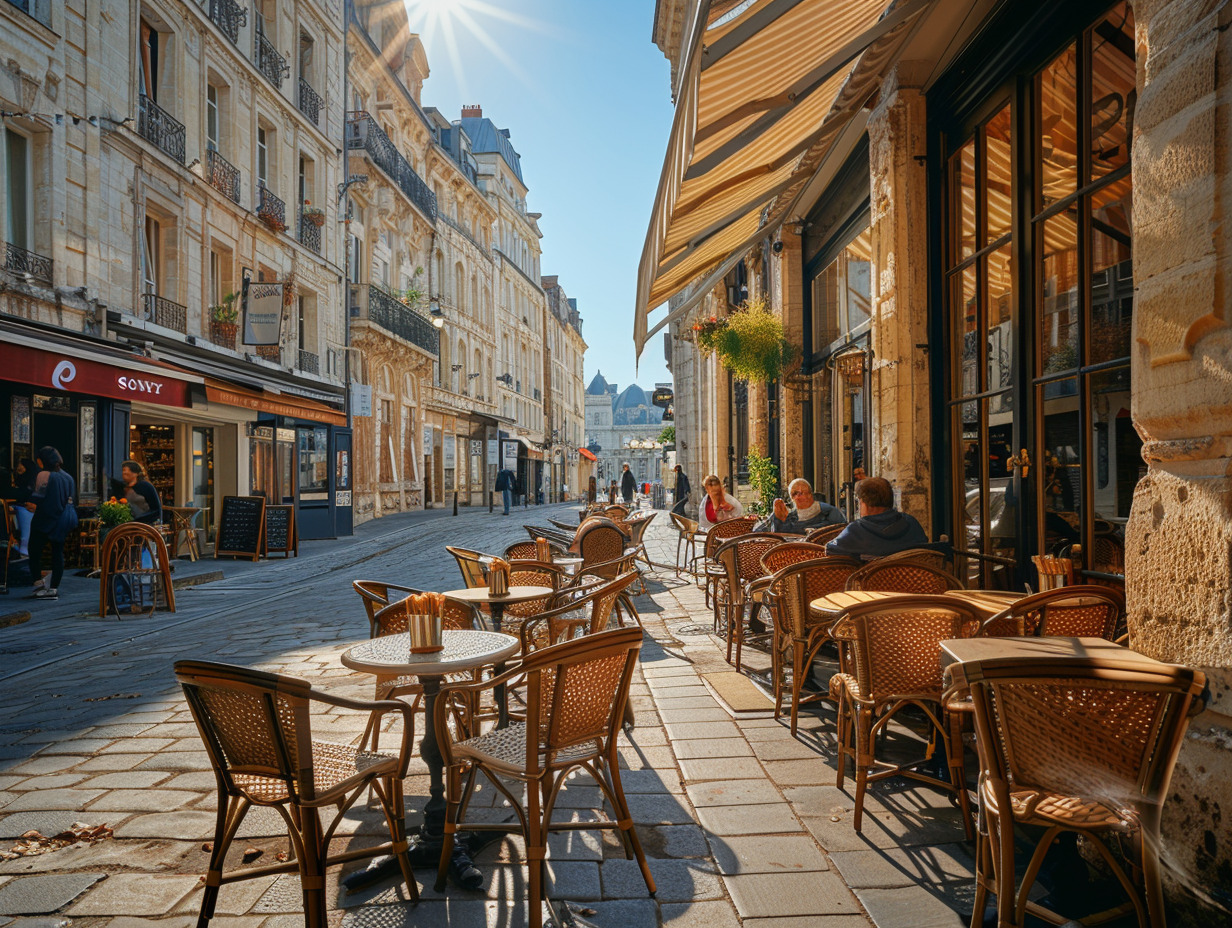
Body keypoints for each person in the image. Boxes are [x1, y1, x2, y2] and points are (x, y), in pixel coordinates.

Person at [826, 476, 927, 559]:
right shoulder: (911, 523)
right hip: (911, 581)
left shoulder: (856, 531)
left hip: (870, 582)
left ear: (863, 504)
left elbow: (831, 549)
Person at [26, 446, 77, 601]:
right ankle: (53, 587)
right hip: (62, 519)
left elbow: (37, 497)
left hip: (44, 517)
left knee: (34, 551)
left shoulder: (44, 475)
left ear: (41, 461)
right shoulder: (68, 477)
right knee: (57, 553)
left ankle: (38, 583)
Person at [756, 478, 845, 534]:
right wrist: (778, 519)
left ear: (810, 494)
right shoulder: (787, 513)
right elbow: (760, 531)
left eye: (802, 492)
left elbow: (841, 530)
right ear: (791, 498)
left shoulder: (828, 511)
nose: (798, 496)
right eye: (794, 493)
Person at [8, 457, 36, 558]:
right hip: (22, 509)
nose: (18, 467)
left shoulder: (29, 483)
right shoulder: (28, 480)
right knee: (22, 537)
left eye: (21, 465)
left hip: (25, 509)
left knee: (24, 538)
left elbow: (22, 494)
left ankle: (24, 556)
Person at [121, 460, 163, 525]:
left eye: (126, 470)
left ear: (135, 473)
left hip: (145, 524)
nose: (124, 473)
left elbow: (156, 509)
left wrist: (141, 519)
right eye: (123, 470)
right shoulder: (122, 487)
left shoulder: (145, 486)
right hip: (129, 524)